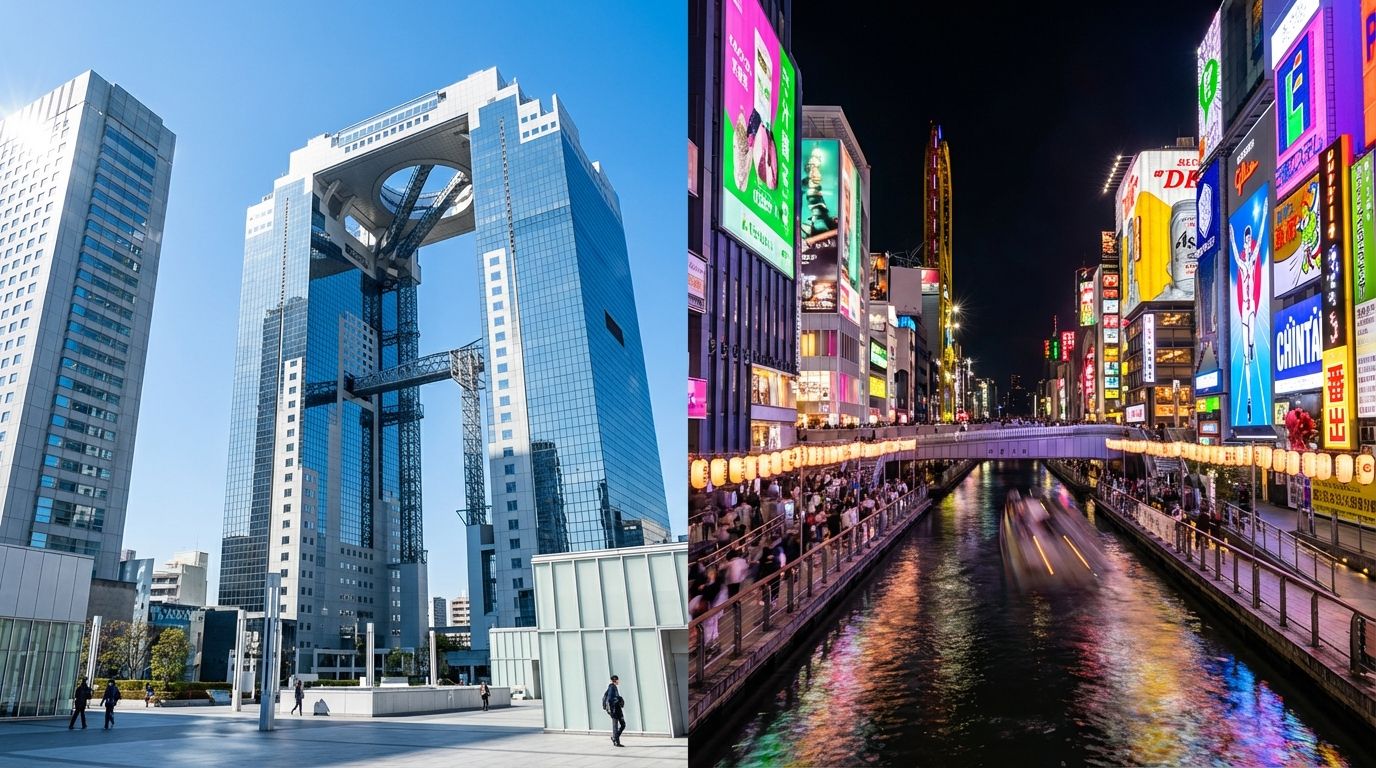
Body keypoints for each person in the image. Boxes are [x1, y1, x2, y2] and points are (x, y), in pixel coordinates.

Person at [602, 675, 626, 747]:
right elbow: (610, 699)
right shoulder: (612, 687)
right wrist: (618, 699)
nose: (619, 681)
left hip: (617, 709)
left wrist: (619, 699)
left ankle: (615, 738)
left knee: (623, 724)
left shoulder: (613, 687)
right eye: (618, 680)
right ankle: (616, 741)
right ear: (615, 680)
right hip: (614, 710)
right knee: (616, 725)